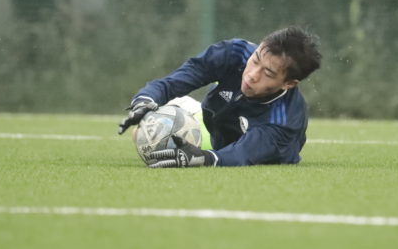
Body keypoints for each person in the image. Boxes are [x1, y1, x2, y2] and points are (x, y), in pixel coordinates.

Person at [117, 26, 321, 168]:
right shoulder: (235, 53)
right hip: (206, 119)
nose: (252, 74)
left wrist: (203, 157)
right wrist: (144, 100)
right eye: (256, 59)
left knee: (150, 137)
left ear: (288, 83)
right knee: (149, 125)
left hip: (228, 146)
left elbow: (241, 154)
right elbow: (175, 82)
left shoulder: (284, 121)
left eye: (267, 73)